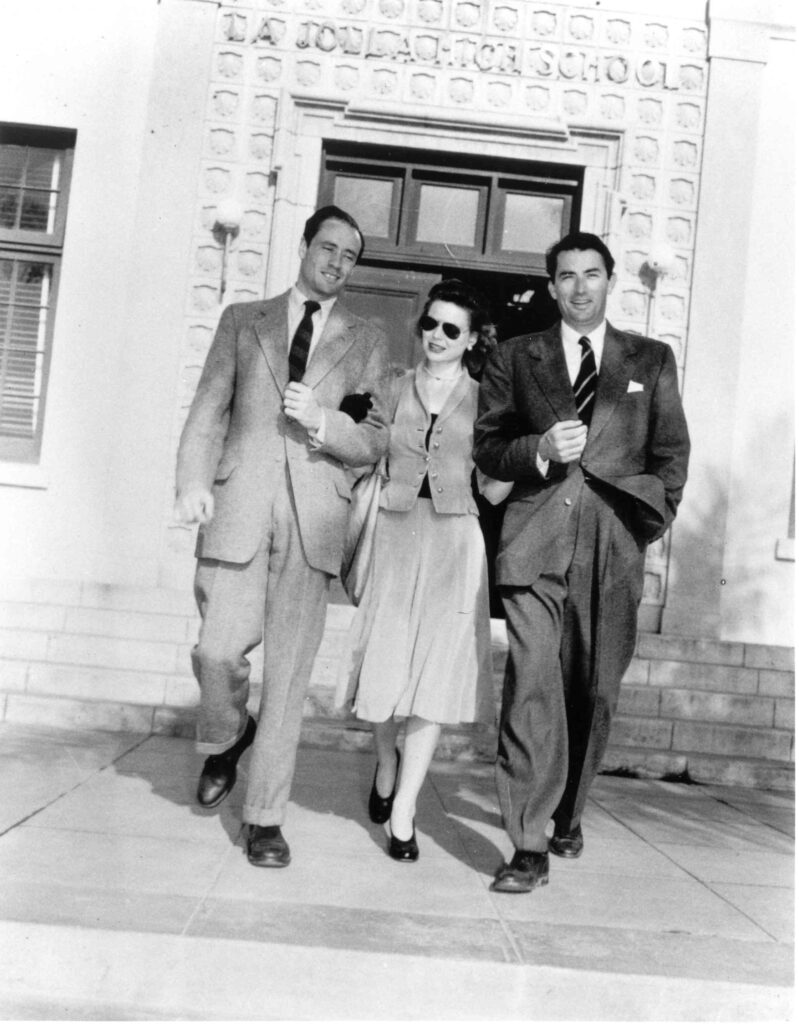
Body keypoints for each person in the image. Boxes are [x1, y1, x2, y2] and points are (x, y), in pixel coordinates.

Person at [473, 231, 690, 894]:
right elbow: (487, 449)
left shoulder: (649, 360)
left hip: (611, 544)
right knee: (531, 686)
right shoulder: (516, 356)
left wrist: (637, 525)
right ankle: (527, 843)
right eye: (565, 276)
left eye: (590, 274)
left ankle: (568, 809)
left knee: (594, 690)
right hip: (533, 540)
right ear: (549, 286)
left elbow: (671, 458)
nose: (578, 287)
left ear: (609, 279)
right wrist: (537, 447)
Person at [174, 205, 390, 869]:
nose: (336, 263)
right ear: (303, 246)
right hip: (238, 506)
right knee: (216, 653)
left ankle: (264, 818)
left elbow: (376, 437)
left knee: (289, 681)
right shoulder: (245, 320)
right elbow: (209, 408)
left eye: (349, 256)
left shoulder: (367, 338)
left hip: (313, 520)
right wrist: (191, 481)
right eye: (327, 248)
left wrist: (325, 422)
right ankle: (225, 737)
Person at [336, 279, 499, 862]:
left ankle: (404, 808)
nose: (436, 336)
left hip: (456, 541)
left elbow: (497, 479)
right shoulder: (392, 386)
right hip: (396, 532)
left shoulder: (486, 398)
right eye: (430, 324)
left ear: (472, 340)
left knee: (435, 673)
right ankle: (385, 757)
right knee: (384, 661)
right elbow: (361, 444)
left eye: (451, 329)